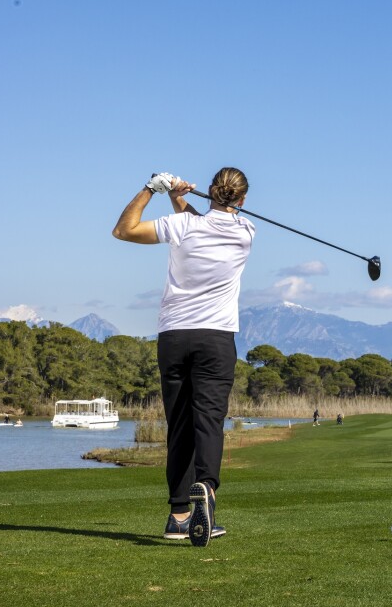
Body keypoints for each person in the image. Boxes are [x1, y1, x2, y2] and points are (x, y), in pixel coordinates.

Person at [112, 168, 254, 547]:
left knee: (179, 424)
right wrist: (180, 197)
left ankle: (178, 516)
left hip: (174, 336)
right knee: (208, 421)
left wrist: (151, 189)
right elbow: (204, 221)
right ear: (241, 201)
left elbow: (124, 230)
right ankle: (205, 487)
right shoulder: (246, 233)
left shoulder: (182, 226)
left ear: (211, 192)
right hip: (216, 338)